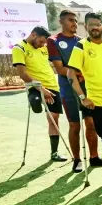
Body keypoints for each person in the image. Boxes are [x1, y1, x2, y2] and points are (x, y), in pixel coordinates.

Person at [66, 13, 102, 182]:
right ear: (86, 27)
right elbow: (71, 73)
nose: (95, 28)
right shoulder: (81, 46)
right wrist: (83, 97)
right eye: (91, 25)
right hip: (98, 103)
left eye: (97, 24)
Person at [47, 10, 102, 172]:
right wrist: (78, 73)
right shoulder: (53, 41)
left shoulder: (82, 41)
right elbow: (60, 69)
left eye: (76, 20)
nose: (74, 23)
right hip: (69, 91)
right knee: (75, 126)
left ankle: (94, 157)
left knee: (91, 124)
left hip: (87, 90)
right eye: (70, 20)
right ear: (61, 21)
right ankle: (77, 159)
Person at [13, 26, 67, 162]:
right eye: (41, 41)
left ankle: (54, 153)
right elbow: (22, 74)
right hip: (35, 86)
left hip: (53, 86)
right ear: (33, 35)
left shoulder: (44, 47)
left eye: (44, 43)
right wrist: (42, 89)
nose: (42, 45)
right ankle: (35, 99)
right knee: (36, 102)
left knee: (54, 118)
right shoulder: (19, 48)